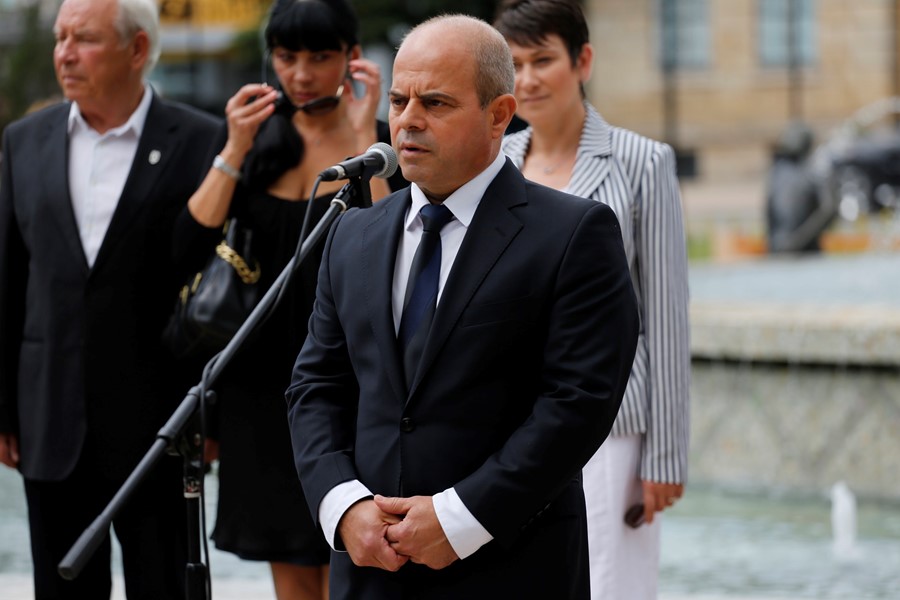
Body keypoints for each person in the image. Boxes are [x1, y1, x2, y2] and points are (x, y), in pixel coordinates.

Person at [286, 14, 640, 599]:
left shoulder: (573, 233)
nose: (407, 120)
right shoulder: (352, 233)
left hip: (511, 566)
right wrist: (343, 505)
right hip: (372, 570)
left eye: (436, 103)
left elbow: (577, 403)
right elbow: (316, 385)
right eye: (398, 100)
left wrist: (460, 518)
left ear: (499, 115)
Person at [176, 1, 406, 598]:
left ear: (351, 58)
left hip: (351, 380)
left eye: (319, 56)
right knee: (288, 565)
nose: (300, 73)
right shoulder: (254, 137)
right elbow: (187, 244)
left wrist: (365, 135)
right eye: (286, 56)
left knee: (356, 559)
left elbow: (394, 252)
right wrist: (234, 147)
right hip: (260, 389)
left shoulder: (383, 144)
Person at [0, 0, 221, 597]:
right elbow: (9, 280)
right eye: (60, 38)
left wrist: (211, 415)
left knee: (165, 586)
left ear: (137, 49)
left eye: (85, 39)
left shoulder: (202, 140)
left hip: (159, 424)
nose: (65, 54)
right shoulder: (24, 140)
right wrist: (4, 410)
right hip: (49, 418)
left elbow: (216, 288)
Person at [494, 1, 692, 598]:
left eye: (542, 60)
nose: (527, 79)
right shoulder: (495, 163)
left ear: (582, 60)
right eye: (513, 64)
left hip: (612, 426)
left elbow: (666, 316)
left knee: (611, 586)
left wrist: (665, 457)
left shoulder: (642, 162)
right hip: (507, 422)